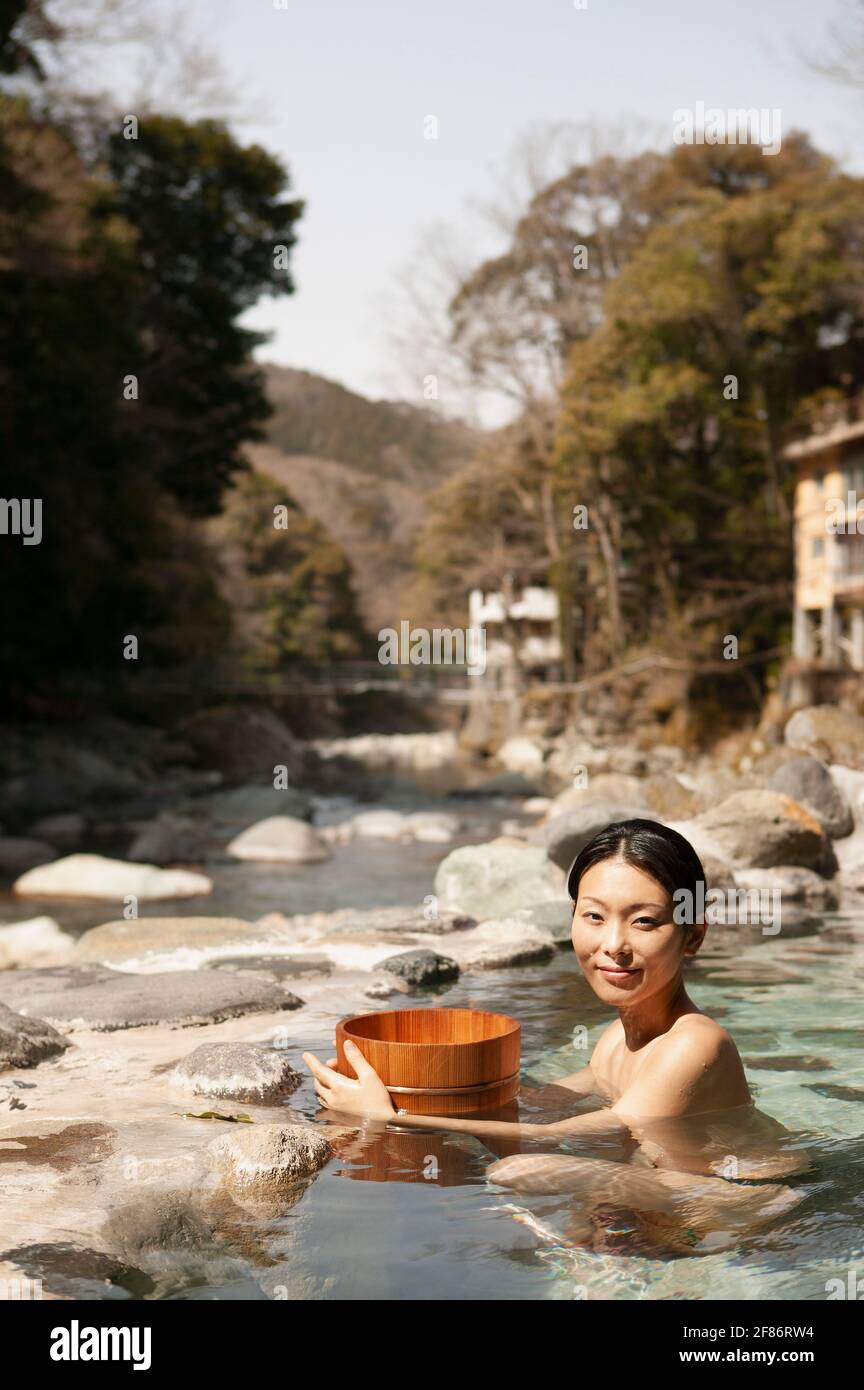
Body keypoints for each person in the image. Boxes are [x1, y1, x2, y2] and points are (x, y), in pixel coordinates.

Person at [303, 819, 812, 1248]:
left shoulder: (695, 1043)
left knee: (514, 1171)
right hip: (667, 1196)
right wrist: (409, 1081)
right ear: (572, 918)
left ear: (693, 935)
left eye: (644, 922)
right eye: (594, 916)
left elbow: (556, 1135)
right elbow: (537, 1104)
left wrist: (389, 1118)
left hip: (740, 1201)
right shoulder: (614, 1040)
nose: (614, 944)